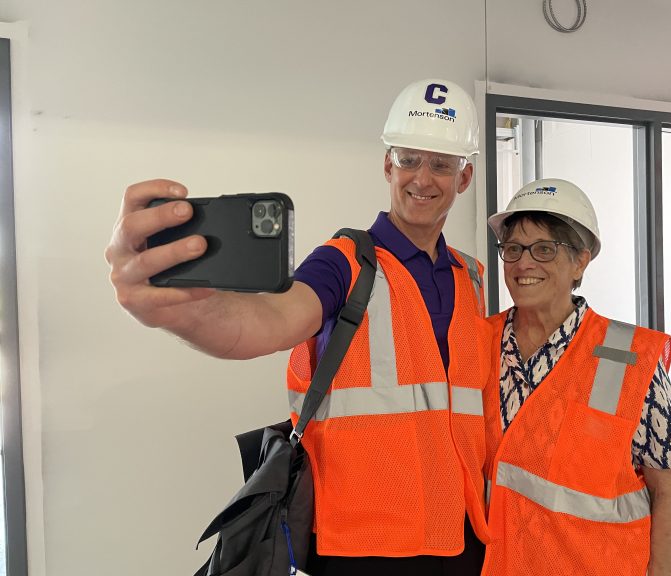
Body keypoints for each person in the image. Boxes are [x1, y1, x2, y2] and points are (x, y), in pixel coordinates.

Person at [105, 79, 490, 576]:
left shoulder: (472, 277)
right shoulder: (346, 263)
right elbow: (268, 321)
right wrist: (181, 311)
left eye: (441, 163)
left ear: (464, 178)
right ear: (387, 165)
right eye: (409, 159)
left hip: (462, 540)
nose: (423, 177)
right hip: (363, 549)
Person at [481, 178, 671, 576]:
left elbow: (668, 487)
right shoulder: (481, 343)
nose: (524, 263)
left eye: (544, 249)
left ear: (581, 261)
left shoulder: (627, 357)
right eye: (512, 249)